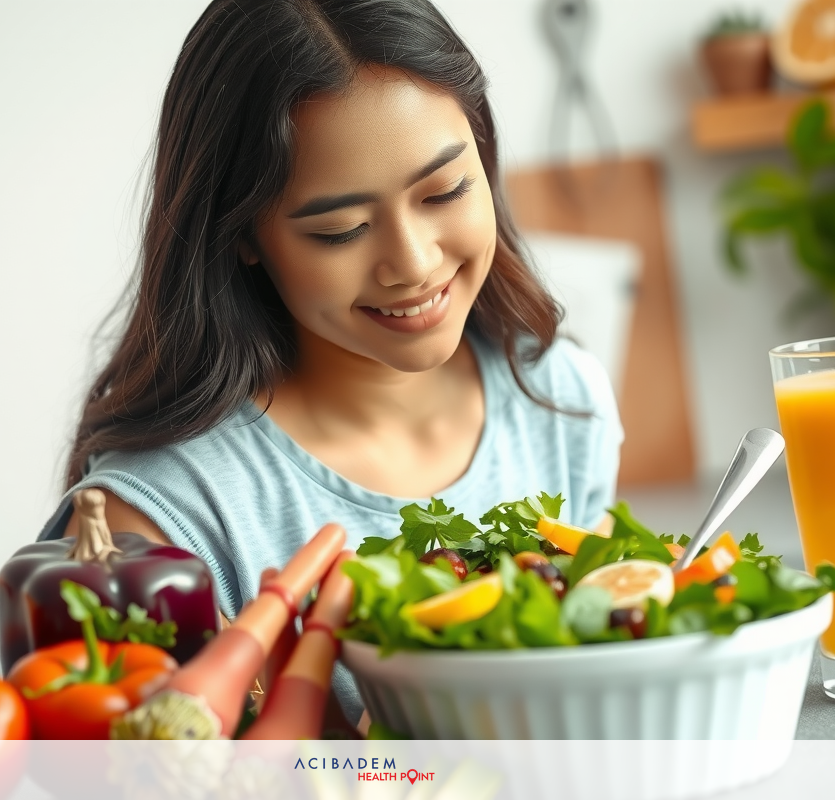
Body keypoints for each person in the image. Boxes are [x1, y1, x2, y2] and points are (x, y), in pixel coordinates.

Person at [37, 0, 623, 729]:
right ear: (243, 236)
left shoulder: (560, 397)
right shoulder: (160, 516)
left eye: (444, 191)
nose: (413, 263)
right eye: (341, 230)